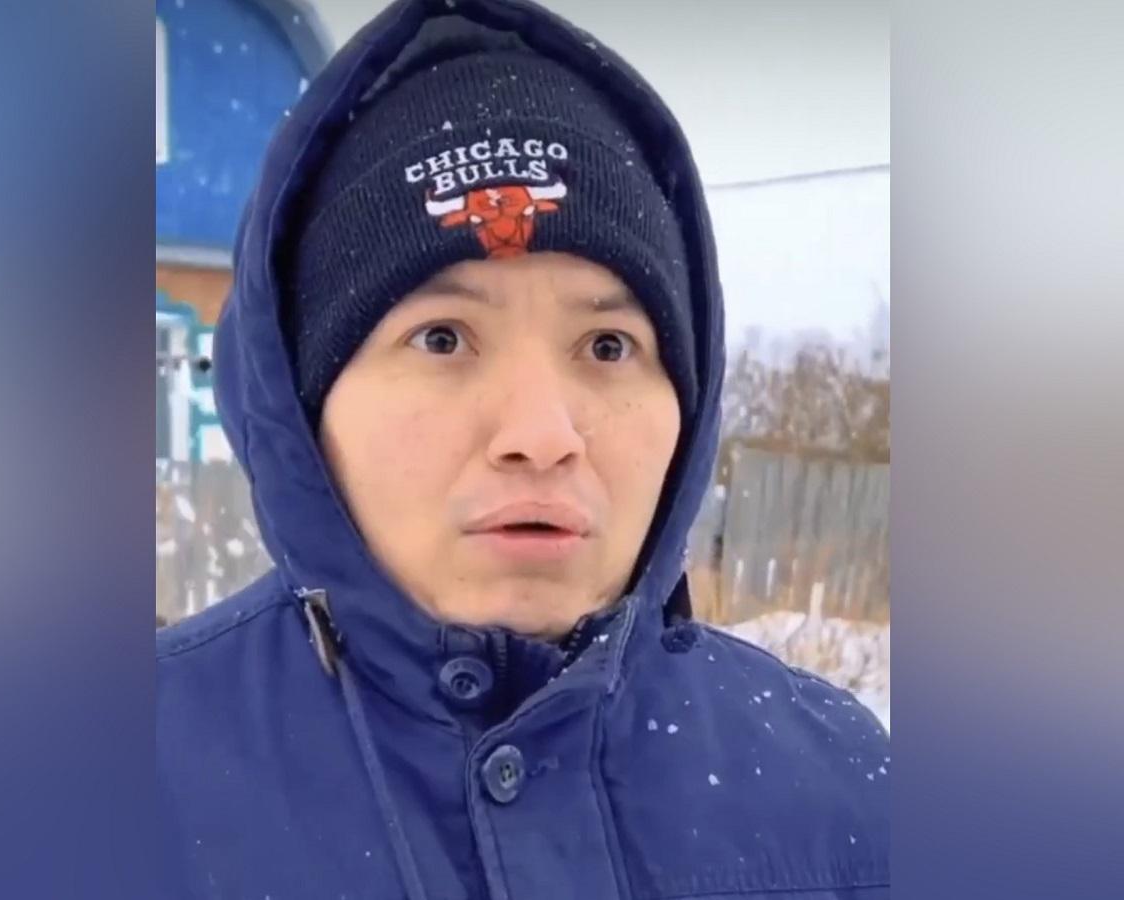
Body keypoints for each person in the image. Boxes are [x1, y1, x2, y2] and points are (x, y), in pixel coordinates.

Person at [156, 1, 890, 897]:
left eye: (608, 346)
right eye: (442, 338)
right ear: (305, 411)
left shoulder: (850, 798)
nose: (543, 436)